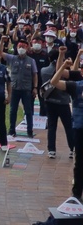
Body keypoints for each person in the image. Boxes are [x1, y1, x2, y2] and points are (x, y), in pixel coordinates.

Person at [50, 57, 83, 199]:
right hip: (80, 128)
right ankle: (77, 193)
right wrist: (63, 66)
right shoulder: (76, 86)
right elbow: (54, 82)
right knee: (80, 162)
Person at [42, 47, 75, 159]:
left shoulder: (44, 70)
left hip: (50, 101)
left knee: (52, 127)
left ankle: (51, 150)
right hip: (63, 102)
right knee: (68, 127)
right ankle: (72, 148)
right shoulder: (65, 73)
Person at [3, 37, 38, 138]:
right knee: (12, 110)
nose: (21, 48)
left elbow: (34, 75)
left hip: (26, 89)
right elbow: (0, 53)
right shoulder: (12, 58)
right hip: (15, 88)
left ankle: (30, 131)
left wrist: (35, 87)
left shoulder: (31, 61)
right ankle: (11, 130)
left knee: (28, 111)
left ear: (27, 48)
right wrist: (2, 41)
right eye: (19, 46)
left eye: (23, 47)